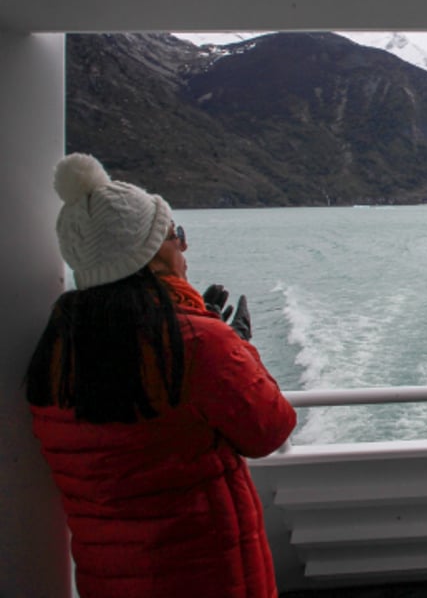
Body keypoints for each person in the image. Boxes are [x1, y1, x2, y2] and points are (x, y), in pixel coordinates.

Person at [24, 153, 297, 598]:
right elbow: (271, 429)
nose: (184, 248)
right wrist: (238, 346)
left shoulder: (56, 348)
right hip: (209, 573)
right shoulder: (196, 343)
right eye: (176, 235)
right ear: (150, 256)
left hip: (107, 575)